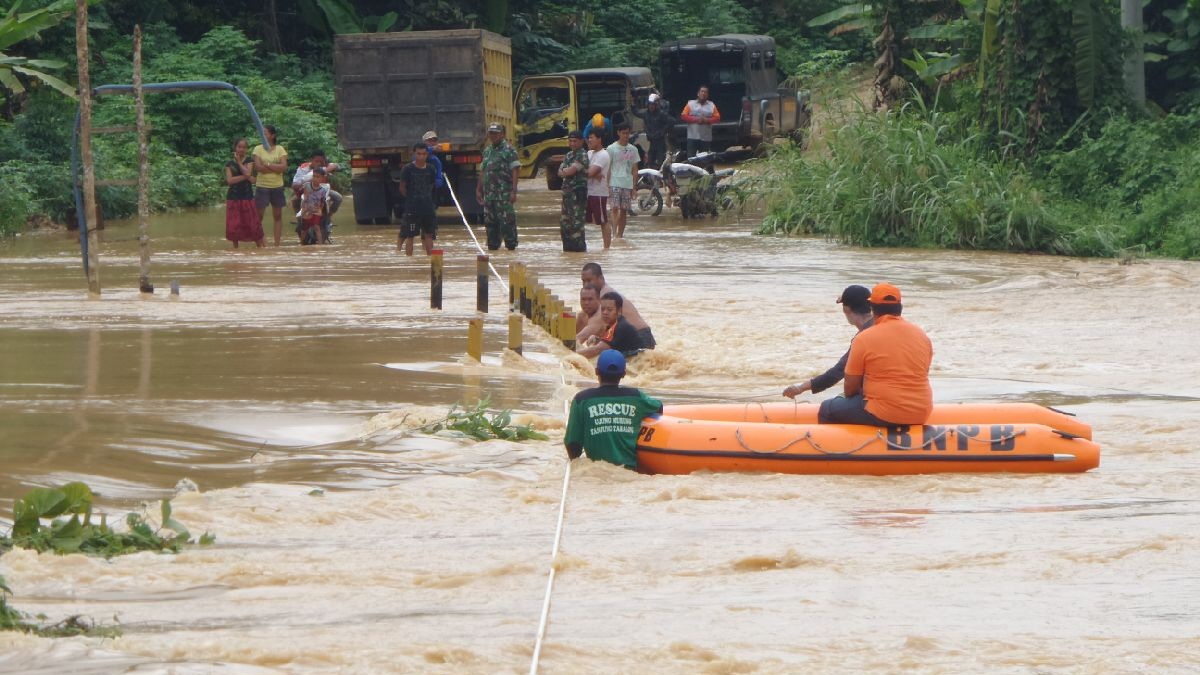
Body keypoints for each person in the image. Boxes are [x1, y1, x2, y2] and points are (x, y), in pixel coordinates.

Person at [818, 283, 933, 426]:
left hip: (884, 412)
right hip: (922, 411)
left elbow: (850, 387)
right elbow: (922, 373)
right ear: (900, 308)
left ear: (873, 309)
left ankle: (843, 444)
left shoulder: (864, 338)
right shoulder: (921, 335)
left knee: (827, 409)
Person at [564, 349, 663, 471]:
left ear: (596, 371)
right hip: (630, 471)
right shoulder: (635, 397)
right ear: (624, 374)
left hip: (594, 472)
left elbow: (572, 443)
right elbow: (659, 408)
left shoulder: (582, 400)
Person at [783, 285, 874, 398]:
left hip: (876, 400)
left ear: (846, 309)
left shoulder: (864, 337)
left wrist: (801, 388)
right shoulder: (884, 325)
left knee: (827, 409)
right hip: (896, 394)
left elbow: (837, 372)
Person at [578, 262, 656, 350]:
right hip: (627, 338)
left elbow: (595, 324)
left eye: (589, 280)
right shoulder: (597, 296)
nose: (586, 285)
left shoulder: (606, 294)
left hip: (641, 337)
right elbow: (584, 318)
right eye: (583, 281)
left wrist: (576, 340)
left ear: (601, 278)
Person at [476, 123, 520, 251]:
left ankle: (511, 248)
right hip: (489, 194)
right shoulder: (487, 151)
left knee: (507, 223)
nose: (493, 136)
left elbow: (515, 170)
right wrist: (478, 189)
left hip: (504, 194)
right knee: (490, 224)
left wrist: (514, 191)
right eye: (491, 133)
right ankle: (493, 248)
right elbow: (483, 171)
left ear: (502, 134)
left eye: (496, 133)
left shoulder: (509, 150)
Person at [398, 143, 439, 256]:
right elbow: (402, 187)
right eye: (419, 154)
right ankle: (409, 261)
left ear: (427, 155)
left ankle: (430, 261)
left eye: (424, 154)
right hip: (412, 209)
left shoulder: (431, 169)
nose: (421, 156)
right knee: (410, 236)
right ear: (414, 154)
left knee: (429, 235)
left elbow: (431, 186)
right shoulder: (407, 169)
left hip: (428, 208)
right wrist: (411, 199)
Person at [291, 149, 343, 235]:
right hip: (306, 191)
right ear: (311, 160)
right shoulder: (303, 168)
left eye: (321, 161)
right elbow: (294, 185)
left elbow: (338, 166)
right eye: (316, 161)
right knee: (294, 200)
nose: (318, 163)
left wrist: (329, 168)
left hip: (322, 191)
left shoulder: (325, 167)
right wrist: (308, 179)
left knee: (338, 198)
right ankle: (299, 221)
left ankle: (327, 217)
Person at [251, 124, 288, 246]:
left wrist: (267, 164)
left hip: (277, 186)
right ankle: (261, 242)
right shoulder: (258, 149)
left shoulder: (280, 149)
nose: (263, 135)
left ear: (273, 135)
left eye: (265, 133)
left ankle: (277, 244)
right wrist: (275, 167)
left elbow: (284, 167)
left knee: (277, 216)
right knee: (259, 216)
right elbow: (258, 168)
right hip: (262, 186)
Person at [578, 292, 645, 358]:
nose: (605, 312)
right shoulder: (615, 323)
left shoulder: (620, 326)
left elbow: (597, 350)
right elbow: (611, 343)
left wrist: (571, 354)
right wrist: (597, 339)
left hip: (640, 360)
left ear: (618, 311)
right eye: (603, 309)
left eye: (609, 310)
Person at [224, 138, 263, 248]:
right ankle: (236, 250)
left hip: (247, 197)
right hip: (233, 197)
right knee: (234, 226)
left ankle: (260, 248)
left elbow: (248, 172)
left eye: (244, 147)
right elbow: (230, 181)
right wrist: (245, 177)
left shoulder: (249, 160)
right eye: (239, 147)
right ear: (235, 148)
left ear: (246, 149)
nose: (241, 149)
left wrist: (239, 163)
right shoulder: (229, 164)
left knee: (252, 224)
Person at [606, 123, 640, 239]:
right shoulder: (611, 149)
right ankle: (614, 234)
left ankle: (620, 235)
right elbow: (608, 168)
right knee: (614, 208)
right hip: (614, 182)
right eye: (624, 133)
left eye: (628, 133)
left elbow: (635, 169)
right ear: (618, 133)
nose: (626, 135)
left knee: (624, 210)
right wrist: (607, 185)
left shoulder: (633, 149)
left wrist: (634, 187)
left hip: (627, 184)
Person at [557, 130, 589, 252]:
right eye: (570, 141)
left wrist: (564, 171)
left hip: (577, 194)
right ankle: (568, 251)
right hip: (567, 194)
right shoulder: (569, 155)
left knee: (577, 225)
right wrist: (565, 171)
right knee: (565, 223)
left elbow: (570, 171)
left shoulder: (583, 155)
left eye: (575, 141)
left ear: (581, 141)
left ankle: (579, 251)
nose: (572, 143)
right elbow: (559, 172)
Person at [585, 129, 612, 249]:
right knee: (584, 220)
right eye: (588, 138)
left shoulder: (603, 155)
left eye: (592, 137)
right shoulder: (589, 153)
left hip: (598, 193)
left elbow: (590, 173)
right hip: (587, 192)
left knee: (602, 221)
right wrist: (591, 173)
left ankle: (607, 248)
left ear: (599, 139)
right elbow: (589, 172)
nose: (589, 140)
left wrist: (585, 171)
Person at [634, 92, 676, 169]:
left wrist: (663, 131)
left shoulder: (661, 114)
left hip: (660, 141)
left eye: (653, 104)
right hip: (652, 141)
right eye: (650, 104)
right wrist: (634, 101)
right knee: (650, 161)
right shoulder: (646, 113)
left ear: (656, 105)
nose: (651, 106)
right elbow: (636, 112)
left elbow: (672, 121)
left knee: (661, 162)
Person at [680, 86, 721, 158]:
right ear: (698, 94)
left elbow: (717, 118)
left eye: (705, 92)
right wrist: (696, 120)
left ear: (708, 95)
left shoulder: (711, 105)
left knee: (704, 158)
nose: (703, 93)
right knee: (691, 158)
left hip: (705, 137)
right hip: (692, 136)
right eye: (702, 91)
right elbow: (683, 116)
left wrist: (707, 120)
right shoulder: (690, 104)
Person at [295, 167, 329, 245]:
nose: (315, 178)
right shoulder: (306, 186)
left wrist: (320, 210)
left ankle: (320, 245)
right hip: (306, 211)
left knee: (317, 227)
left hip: (316, 211)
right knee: (304, 230)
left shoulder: (323, 190)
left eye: (318, 177)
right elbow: (298, 194)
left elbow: (322, 202)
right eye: (314, 176)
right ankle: (301, 244)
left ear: (322, 178)